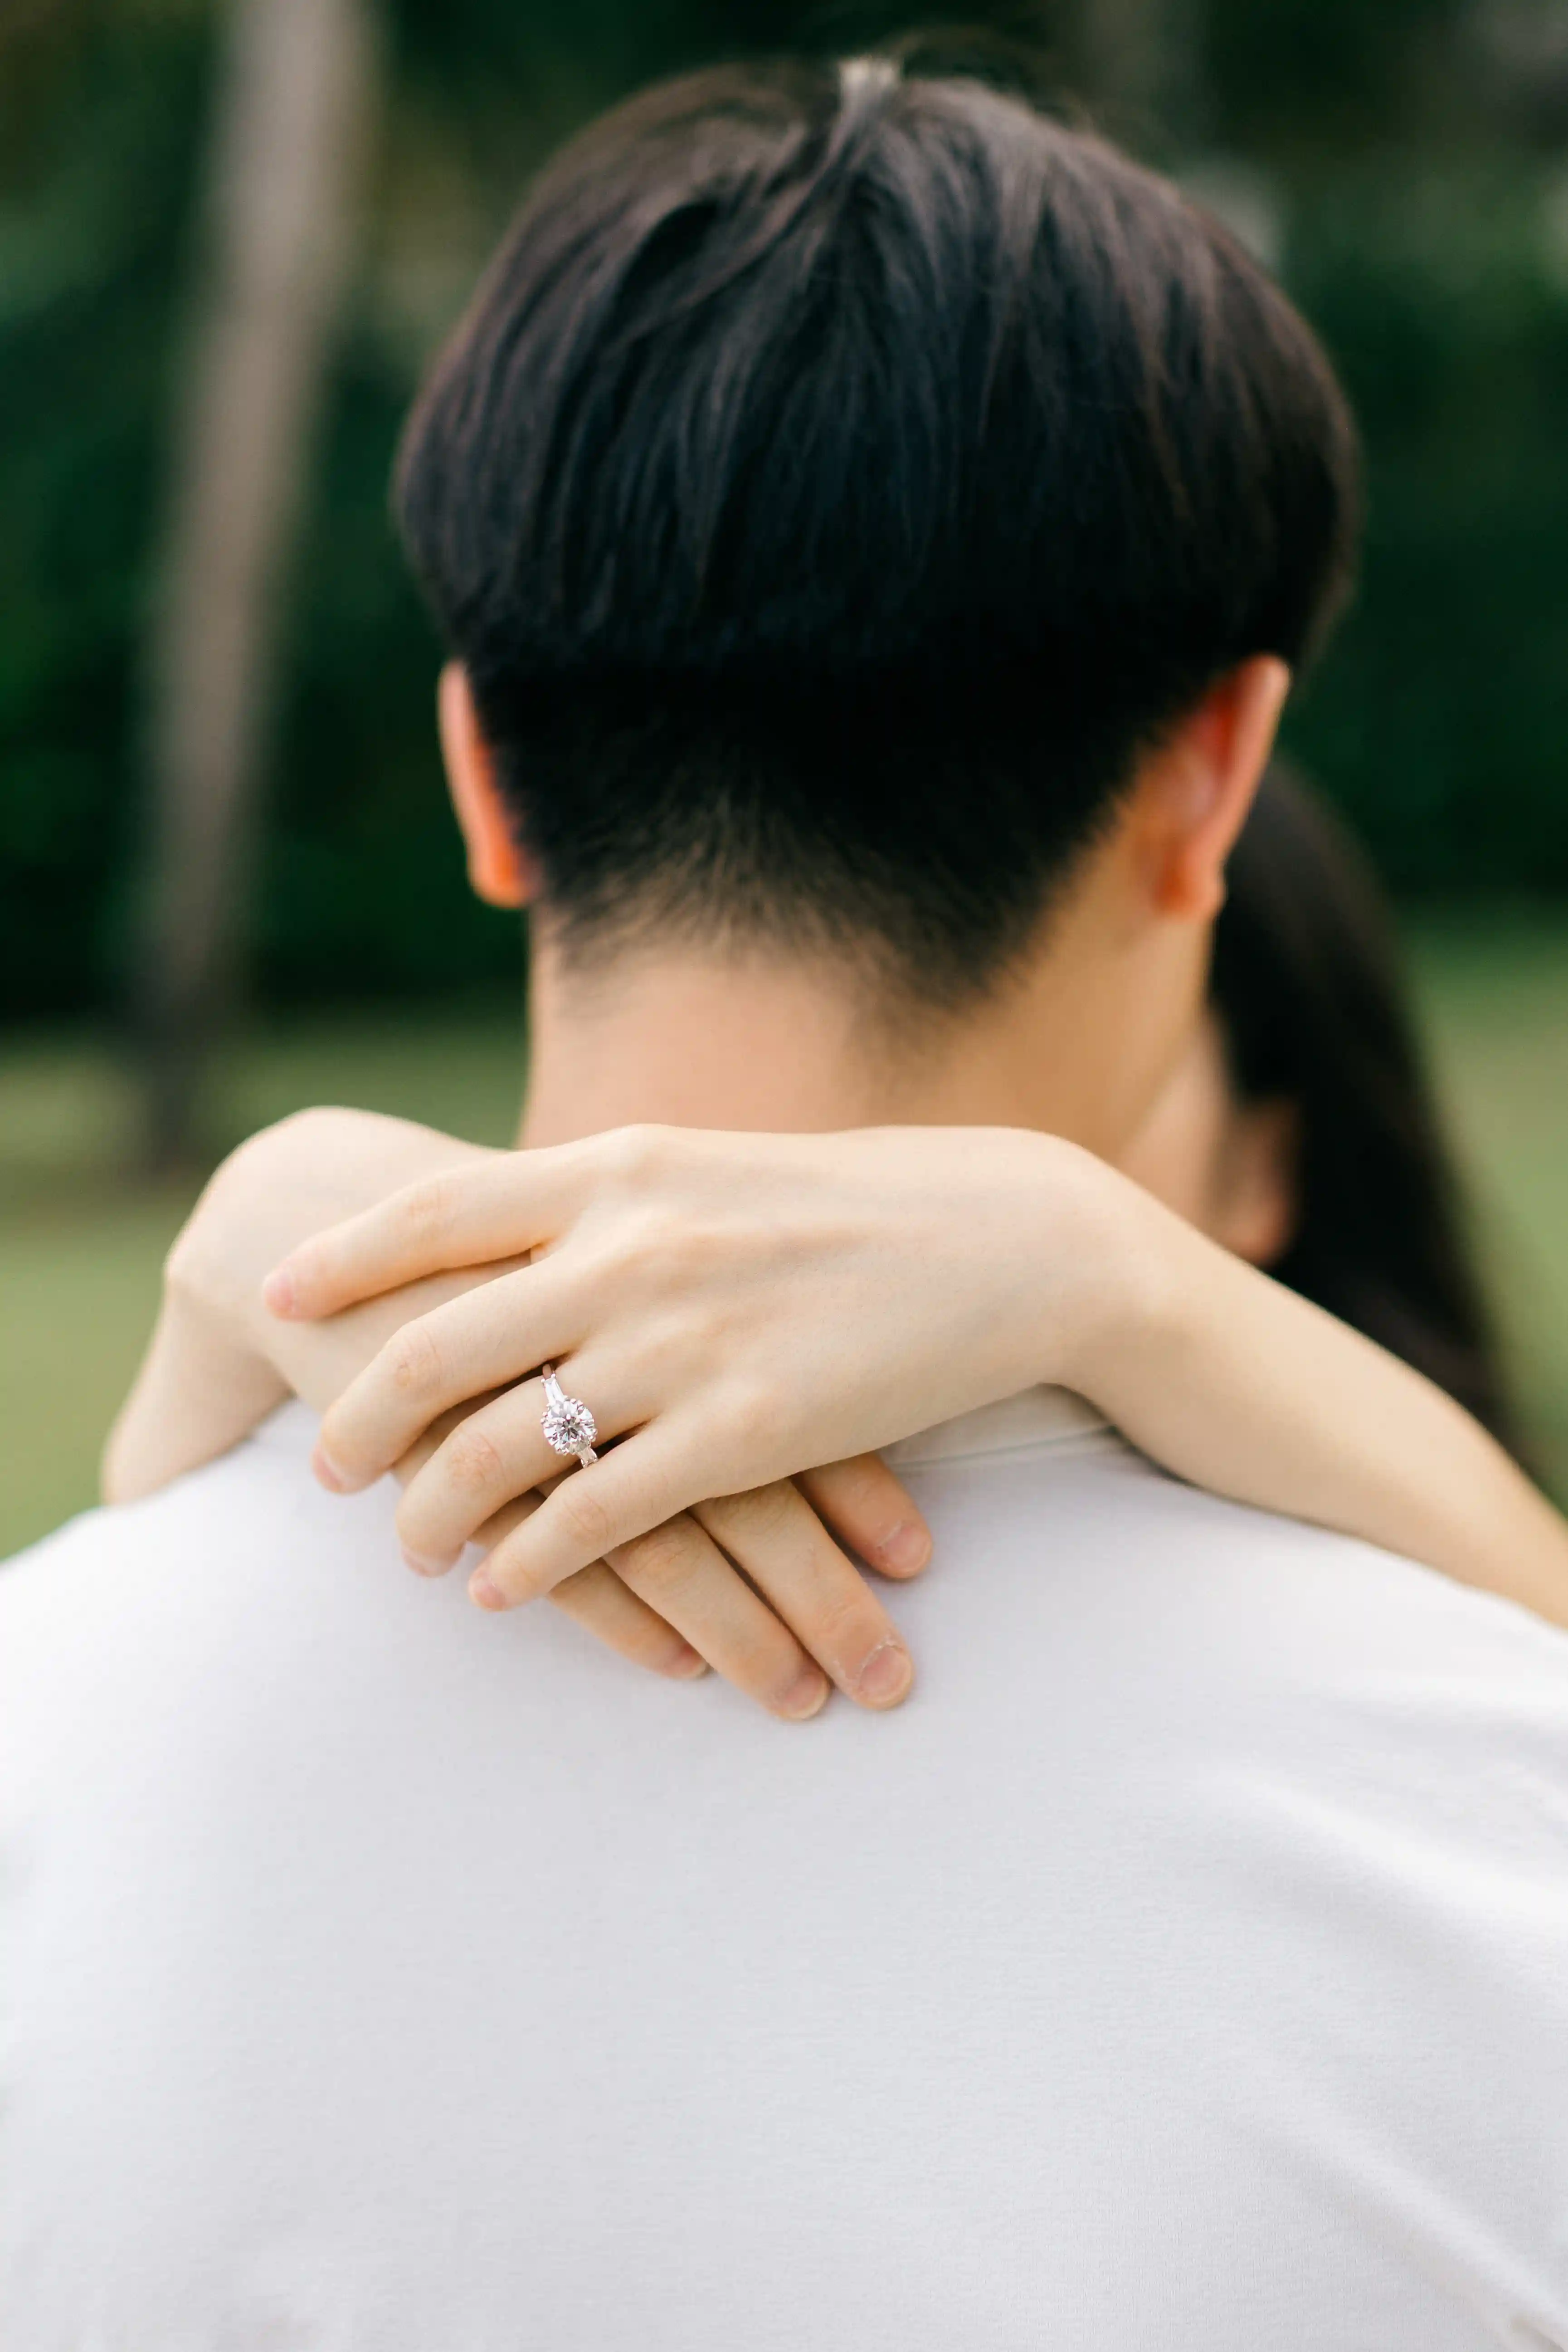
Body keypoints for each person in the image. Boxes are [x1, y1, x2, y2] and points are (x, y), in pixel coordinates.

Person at [6, 53, 1568, 2347]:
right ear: (1219, 773)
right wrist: (1123, 1279)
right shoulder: (1493, 1820)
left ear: (480, 774)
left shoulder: (44, 1726)